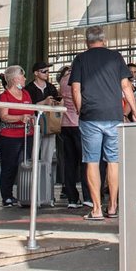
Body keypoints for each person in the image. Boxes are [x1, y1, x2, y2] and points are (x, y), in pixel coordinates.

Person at [71, 26, 136, 221]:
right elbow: (126, 86)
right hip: (114, 114)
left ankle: (96, 209)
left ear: (87, 41)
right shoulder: (116, 57)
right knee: (113, 160)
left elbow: (75, 89)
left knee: (92, 161)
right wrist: (135, 112)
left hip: (90, 116)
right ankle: (112, 206)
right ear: (104, 40)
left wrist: (80, 109)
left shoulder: (80, 59)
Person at [0, 65, 35, 207]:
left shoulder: (26, 94)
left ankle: (25, 195)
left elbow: (31, 112)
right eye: (22, 76)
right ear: (14, 79)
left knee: (25, 164)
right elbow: (4, 116)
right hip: (9, 136)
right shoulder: (4, 96)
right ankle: (6, 196)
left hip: (27, 134)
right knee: (9, 166)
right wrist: (20, 117)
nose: (24, 79)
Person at [56, 64, 83, 209]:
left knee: (69, 163)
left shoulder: (62, 80)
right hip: (79, 124)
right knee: (85, 162)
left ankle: (72, 198)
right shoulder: (79, 79)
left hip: (65, 125)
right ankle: (89, 196)